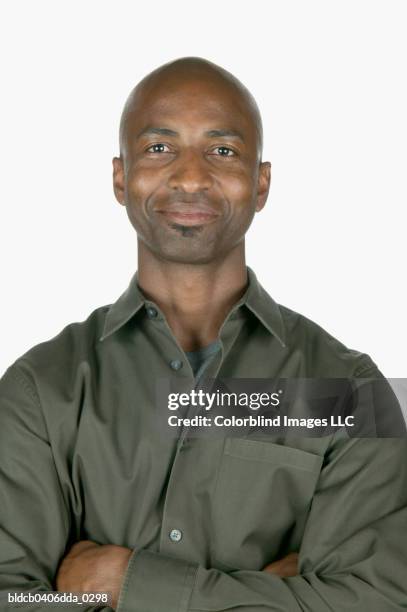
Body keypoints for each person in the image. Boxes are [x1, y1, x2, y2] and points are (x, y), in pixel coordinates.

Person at [0, 57, 406, 612]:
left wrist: (123, 584)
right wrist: (283, 595)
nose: (191, 177)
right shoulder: (40, 391)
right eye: (159, 148)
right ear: (121, 178)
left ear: (260, 183)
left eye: (222, 151)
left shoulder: (347, 392)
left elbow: (374, 602)